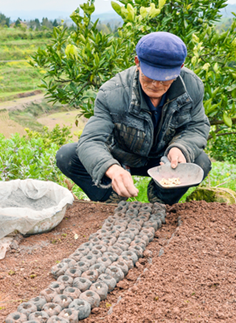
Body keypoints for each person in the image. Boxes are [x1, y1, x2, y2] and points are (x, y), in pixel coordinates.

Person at [56, 32, 212, 205]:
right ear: (137, 62)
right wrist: (111, 168)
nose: (156, 84)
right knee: (68, 155)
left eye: (164, 78)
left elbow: (197, 126)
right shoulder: (112, 93)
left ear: (180, 68)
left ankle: (161, 198)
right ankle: (111, 198)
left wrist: (181, 148)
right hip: (122, 156)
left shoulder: (192, 86)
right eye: (150, 75)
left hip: (164, 159)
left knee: (200, 162)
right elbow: (91, 140)